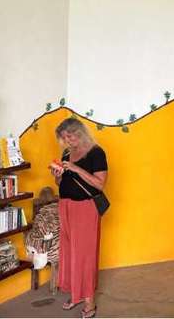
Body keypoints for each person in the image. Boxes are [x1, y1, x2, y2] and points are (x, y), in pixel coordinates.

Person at [50, 117, 108, 318]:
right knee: (70, 252)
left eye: (70, 136)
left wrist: (75, 168)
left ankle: (89, 302)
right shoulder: (67, 153)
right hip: (65, 206)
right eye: (64, 138)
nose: (67, 141)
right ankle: (76, 294)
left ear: (80, 132)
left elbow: (99, 184)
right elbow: (60, 183)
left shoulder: (96, 152)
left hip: (85, 208)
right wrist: (57, 174)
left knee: (84, 255)